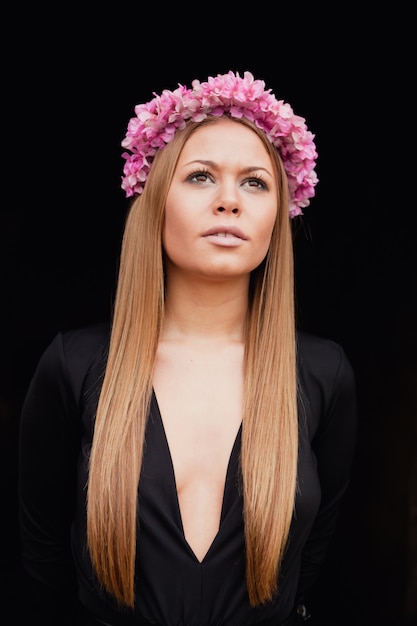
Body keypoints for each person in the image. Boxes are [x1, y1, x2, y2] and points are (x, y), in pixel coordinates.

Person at [18, 70, 357, 626]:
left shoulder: (323, 373)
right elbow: (42, 553)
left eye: (255, 182)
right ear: (155, 202)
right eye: (200, 176)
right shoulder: (73, 365)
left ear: (279, 213)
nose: (229, 201)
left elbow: (313, 555)